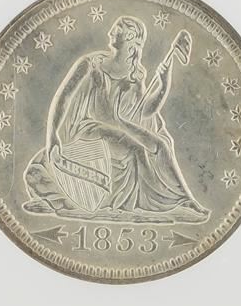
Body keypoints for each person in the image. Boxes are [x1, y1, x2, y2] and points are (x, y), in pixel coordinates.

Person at [23, 15, 210, 223]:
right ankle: (151, 204)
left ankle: (183, 201)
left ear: (129, 36)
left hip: (118, 125)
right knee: (135, 148)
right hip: (88, 128)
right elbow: (63, 97)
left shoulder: (135, 73)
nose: (110, 33)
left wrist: (163, 83)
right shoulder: (91, 64)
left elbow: (146, 111)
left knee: (161, 144)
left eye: (116, 29)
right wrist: (52, 136)